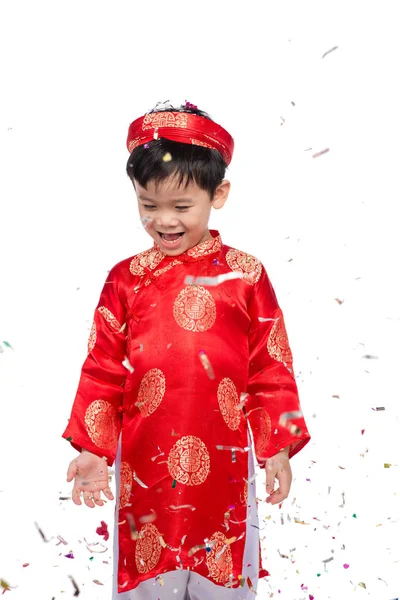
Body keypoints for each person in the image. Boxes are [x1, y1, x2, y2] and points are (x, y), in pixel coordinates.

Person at [63, 100, 311, 600]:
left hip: (224, 467)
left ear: (218, 194)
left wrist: (277, 449)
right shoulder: (125, 279)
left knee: (224, 580)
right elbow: (103, 369)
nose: (163, 222)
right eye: (148, 206)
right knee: (146, 582)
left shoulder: (245, 275)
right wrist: (94, 451)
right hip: (141, 464)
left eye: (181, 207)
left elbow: (270, 368)